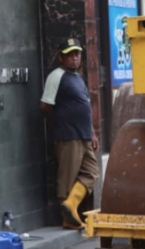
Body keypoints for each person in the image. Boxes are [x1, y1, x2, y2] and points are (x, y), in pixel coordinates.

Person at [40, 38, 100, 229]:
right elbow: (45, 106)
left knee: (92, 172)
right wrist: (63, 121)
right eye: (70, 54)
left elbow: (85, 107)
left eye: (77, 54)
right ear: (61, 57)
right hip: (68, 136)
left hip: (84, 135)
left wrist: (92, 133)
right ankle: (68, 219)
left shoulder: (78, 78)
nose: (75, 58)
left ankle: (71, 205)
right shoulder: (56, 76)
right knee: (67, 178)